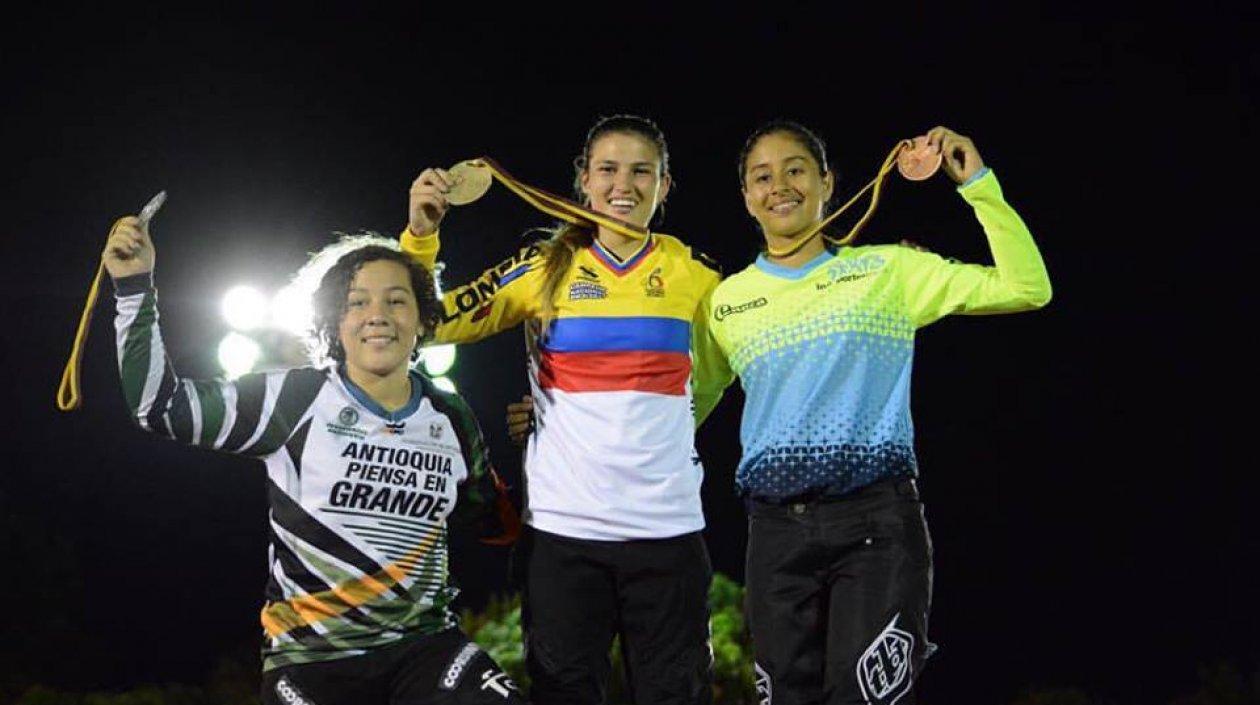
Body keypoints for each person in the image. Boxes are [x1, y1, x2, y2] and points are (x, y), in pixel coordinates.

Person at [103, 218, 524, 705]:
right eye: (357, 302)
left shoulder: (451, 415)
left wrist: (547, 438)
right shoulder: (295, 397)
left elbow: (496, 522)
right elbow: (160, 408)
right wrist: (134, 287)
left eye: (396, 300)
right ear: (333, 322)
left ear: (425, 318)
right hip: (314, 660)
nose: (377, 314)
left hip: (424, 649)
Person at [706, 122, 1053, 704]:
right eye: (761, 176)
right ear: (745, 196)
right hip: (772, 538)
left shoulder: (887, 271)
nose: (780, 186)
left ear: (828, 182)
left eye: (796, 169)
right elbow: (684, 404)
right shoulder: (725, 302)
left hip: (875, 527)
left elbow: (1027, 287)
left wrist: (977, 184)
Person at [400, 115, 727, 705]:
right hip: (562, 538)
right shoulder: (539, 269)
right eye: (607, 169)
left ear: (665, 185)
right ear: (583, 179)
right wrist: (422, 236)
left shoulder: (696, 274)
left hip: (669, 538)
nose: (621, 185)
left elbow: (717, 374)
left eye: (640, 171)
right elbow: (428, 324)